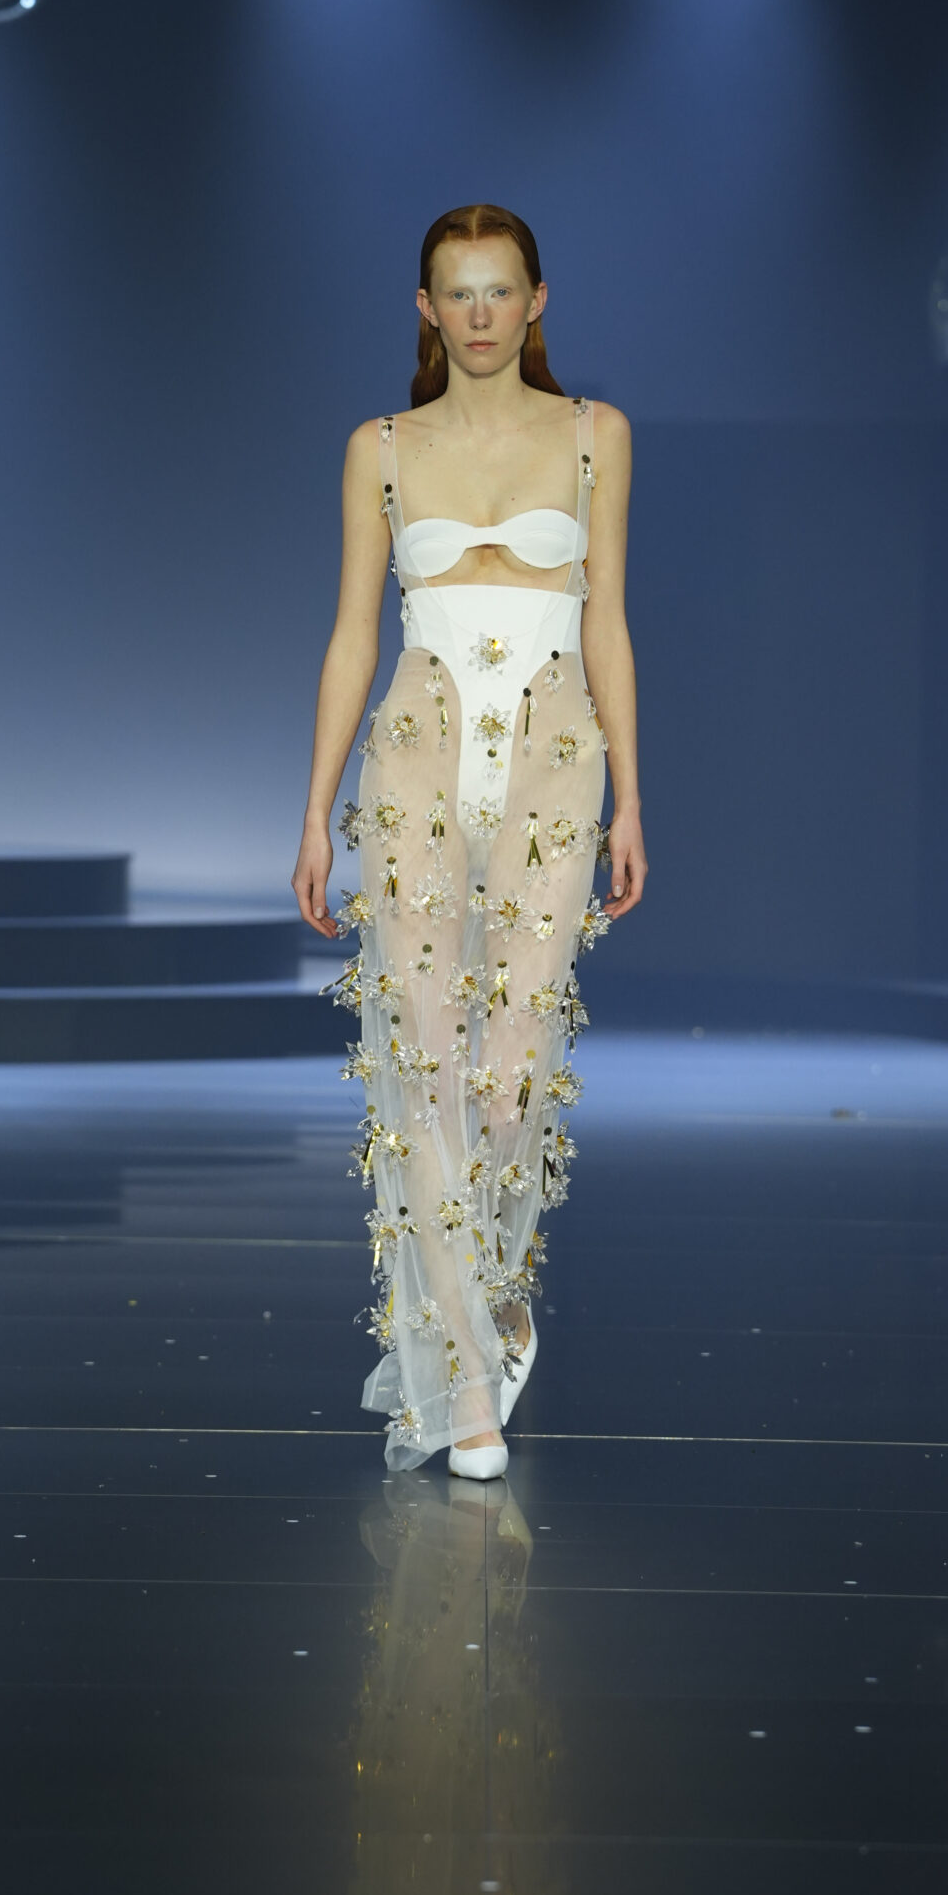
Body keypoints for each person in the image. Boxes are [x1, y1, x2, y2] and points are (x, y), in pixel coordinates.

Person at [292, 205, 646, 1477]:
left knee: (510, 1074)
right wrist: (314, 808)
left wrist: (634, 798)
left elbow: (608, 623)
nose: (482, 312)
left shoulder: (596, 436)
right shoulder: (380, 449)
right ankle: (464, 1382)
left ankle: (496, 1298)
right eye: (459, 291)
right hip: (415, 752)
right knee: (426, 1061)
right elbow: (353, 632)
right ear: (427, 308)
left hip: (556, 751)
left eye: (502, 290)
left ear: (537, 300)